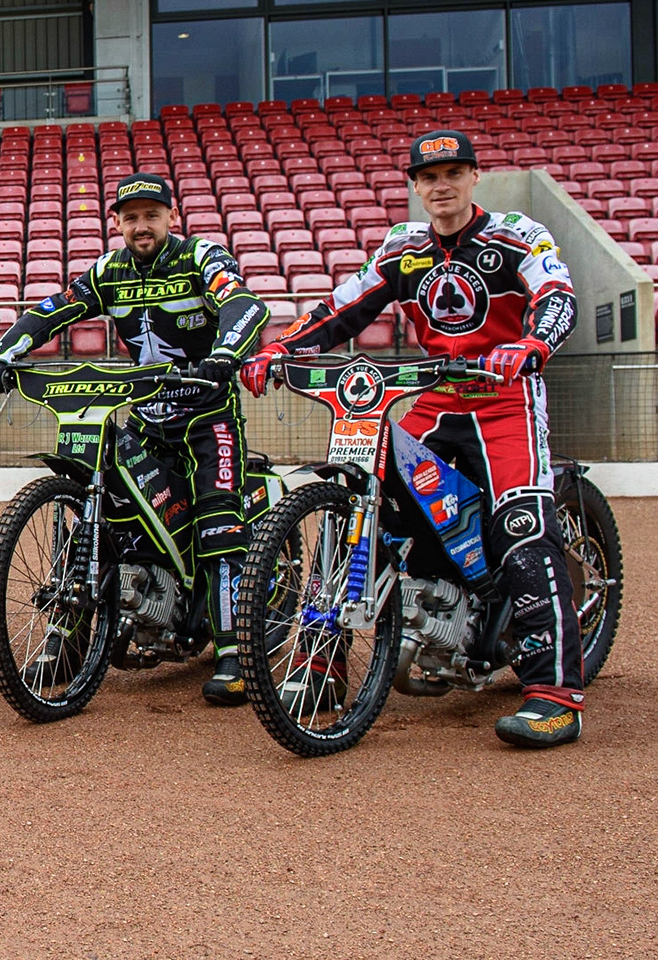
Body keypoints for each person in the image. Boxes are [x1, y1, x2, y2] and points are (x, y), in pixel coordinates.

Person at [242, 131, 588, 747]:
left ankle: (555, 696)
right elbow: (341, 308)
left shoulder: (518, 233)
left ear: (474, 176)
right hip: (434, 396)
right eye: (428, 177)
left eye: (453, 172)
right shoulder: (402, 249)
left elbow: (556, 294)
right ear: (416, 186)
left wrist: (534, 344)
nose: (441, 185)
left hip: (507, 399)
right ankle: (322, 663)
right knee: (363, 507)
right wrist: (279, 347)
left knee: (523, 524)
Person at [0, 173, 271, 705]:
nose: (141, 225)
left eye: (151, 215)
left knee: (217, 523)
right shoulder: (107, 271)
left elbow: (246, 306)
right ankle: (69, 639)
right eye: (130, 216)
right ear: (117, 222)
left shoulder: (201, 256)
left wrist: (225, 354)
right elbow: (48, 313)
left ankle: (234, 651)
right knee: (100, 515)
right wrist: (5, 352)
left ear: (170, 218)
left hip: (209, 418)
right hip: (145, 417)